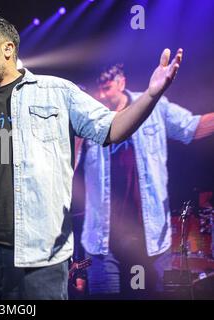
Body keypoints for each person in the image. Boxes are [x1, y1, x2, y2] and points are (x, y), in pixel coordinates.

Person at [0, 14, 183, 300]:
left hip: (37, 257)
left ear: (8, 49)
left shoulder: (56, 92)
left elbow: (112, 128)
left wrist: (151, 95)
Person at [79, 64, 214, 298]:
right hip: (102, 242)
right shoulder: (89, 115)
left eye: (107, 88)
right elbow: (68, 164)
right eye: (98, 89)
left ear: (121, 83)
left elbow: (193, 127)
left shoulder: (154, 106)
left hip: (149, 239)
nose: (101, 95)